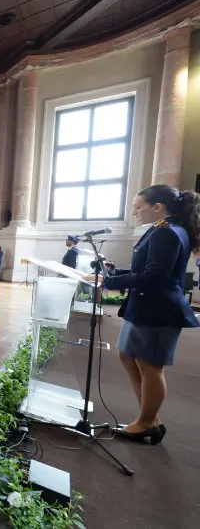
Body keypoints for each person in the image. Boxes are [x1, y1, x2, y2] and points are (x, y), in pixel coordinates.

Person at [92, 186, 200, 445]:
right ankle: (150, 417)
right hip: (146, 305)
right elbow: (147, 266)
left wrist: (109, 283)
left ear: (158, 206)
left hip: (157, 308)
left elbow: (154, 275)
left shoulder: (167, 232)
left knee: (151, 365)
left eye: (139, 206)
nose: (135, 212)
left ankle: (146, 423)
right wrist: (112, 276)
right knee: (127, 355)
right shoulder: (164, 228)